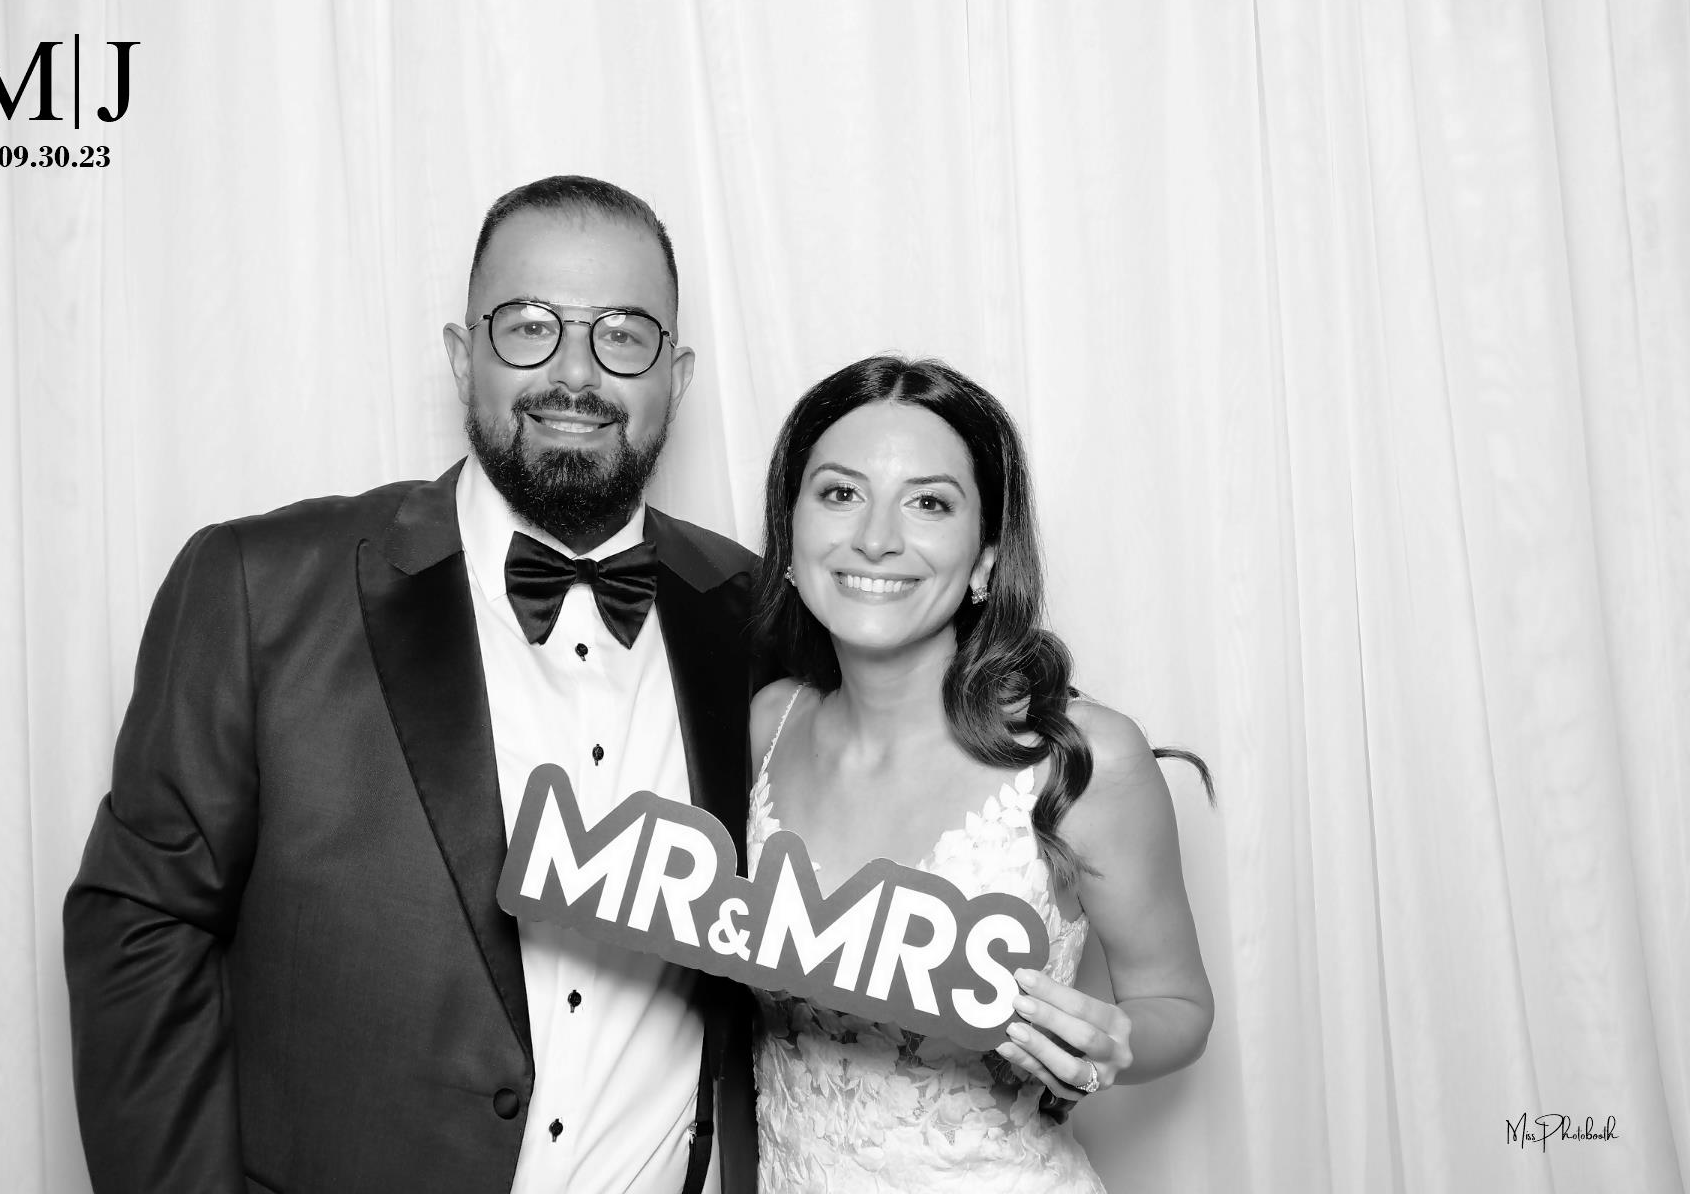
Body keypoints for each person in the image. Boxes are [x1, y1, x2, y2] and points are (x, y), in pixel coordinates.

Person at [64, 176, 760, 1194]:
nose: (574, 374)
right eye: (529, 326)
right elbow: (140, 929)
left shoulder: (757, 614)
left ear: (678, 376)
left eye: (623, 334)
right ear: (462, 357)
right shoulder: (259, 587)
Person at [745, 356, 1215, 1191]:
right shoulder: (766, 726)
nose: (876, 538)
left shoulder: (1086, 757)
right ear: (790, 534)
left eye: (929, 503)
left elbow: (1179, 1006)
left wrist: (1111, 1043)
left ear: (987, 559)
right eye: (840, 493)